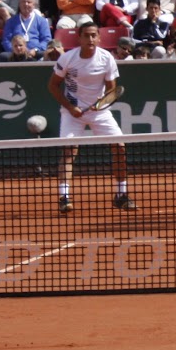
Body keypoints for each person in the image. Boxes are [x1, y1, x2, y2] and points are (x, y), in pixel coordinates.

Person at [48, 19, 134, 214]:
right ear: (79, 38)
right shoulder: (67, 59)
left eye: (94, 35)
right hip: (73, 113)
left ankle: (121, 195)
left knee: (120, 147)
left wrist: (101, 103)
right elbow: (52, 86)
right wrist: (70, 107)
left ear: (99, 37)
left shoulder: (107, 59)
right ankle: (64, 197)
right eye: (86, 35)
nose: (90, 39)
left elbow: (112, 90)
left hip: (100, 113)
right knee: (69, 152)